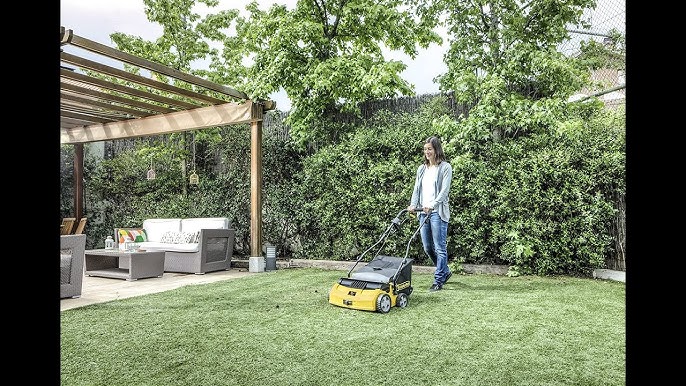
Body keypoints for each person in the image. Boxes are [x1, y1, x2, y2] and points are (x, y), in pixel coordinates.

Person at [407, 136, 453, 292]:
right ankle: (445, 270)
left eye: (430, 149)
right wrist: (413, 205)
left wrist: (432, 205)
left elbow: (444, 191)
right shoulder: (422, 169)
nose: (427, 152)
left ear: (436, 150)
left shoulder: (445, 167)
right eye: (425, 149)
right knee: (427, 247)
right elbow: (416, 189)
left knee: (440, 248)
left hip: (437, 213)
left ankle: (439, 280)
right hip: (422, 213)